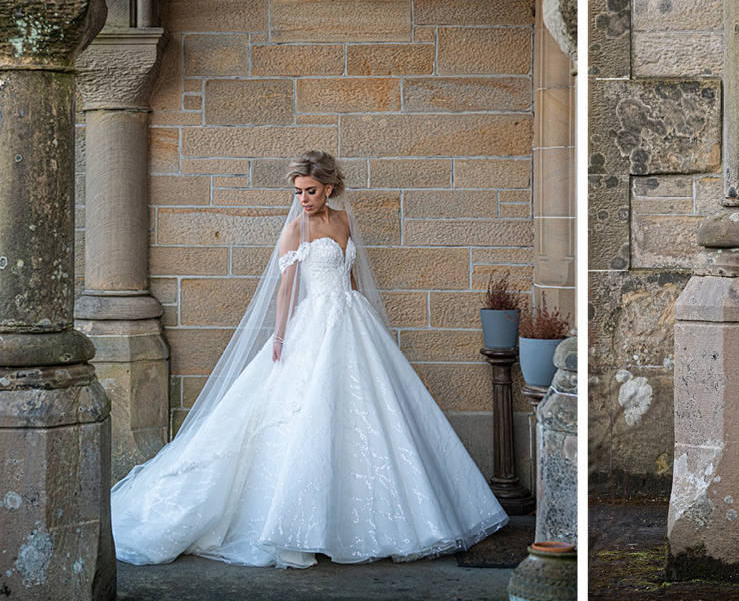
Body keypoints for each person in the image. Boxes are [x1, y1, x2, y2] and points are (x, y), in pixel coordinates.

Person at [111, 150, 508, 568]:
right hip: (314, 324)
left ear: (330, 188)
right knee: (307, 410)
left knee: (371, 412)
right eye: (298, 191)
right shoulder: (293, 231)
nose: (303, 198)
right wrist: (280, 337)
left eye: (311, 191)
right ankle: (298, 524)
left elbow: (350, 273)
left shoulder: (343, 221)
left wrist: (363, 312)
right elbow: (287, 288)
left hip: (352, 320)